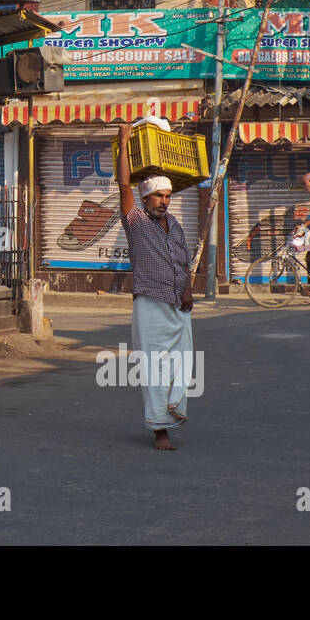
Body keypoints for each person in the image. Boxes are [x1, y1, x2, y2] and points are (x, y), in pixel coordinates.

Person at [116, 124, 194, 451]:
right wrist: (123, 142)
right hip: (150, 303)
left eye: (168, 196)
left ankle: (174, 409)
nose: (164, 201)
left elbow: (183, 261)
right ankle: (160, 429)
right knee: (154, 367)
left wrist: (188, 290)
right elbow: (123, 184)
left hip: (179, 304)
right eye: (158, 196)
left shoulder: (175, 224)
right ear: (145, 198)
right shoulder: (136, 222)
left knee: (183, 363)